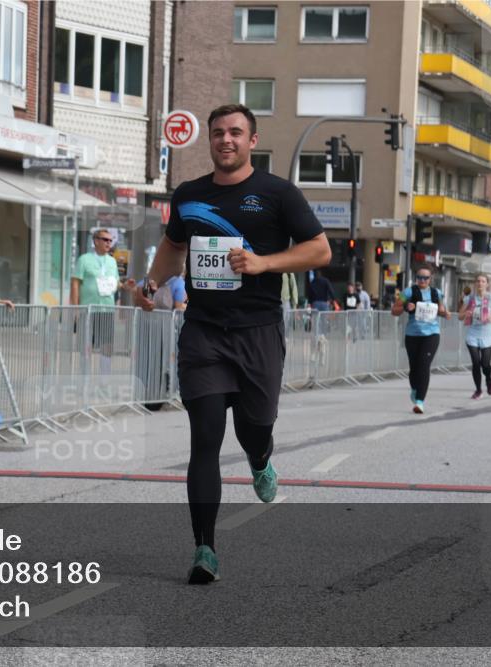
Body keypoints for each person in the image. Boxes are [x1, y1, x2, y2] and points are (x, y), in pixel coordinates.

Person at [133, 104, 330, 584]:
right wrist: (152, 283)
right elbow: (174, 245)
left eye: (236, 133)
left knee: (254, 427)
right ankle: (205, 548)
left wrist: (264, 264)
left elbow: (319, 250)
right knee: (204, 438)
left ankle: (260, 458)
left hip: (258, 331)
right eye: (219, 133)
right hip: (203, 331)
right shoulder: (190, 195)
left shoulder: (277, 193)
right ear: (211, 140)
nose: (226, 140)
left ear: (252, 140)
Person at [391, 266, 451, 414]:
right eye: (419, 277)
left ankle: (420, 401)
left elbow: (444, 312)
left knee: (424, 365)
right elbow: (394, 310)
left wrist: (444, 312)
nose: (422, 280)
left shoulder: (437, 293)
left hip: (431, 334)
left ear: (430, 279)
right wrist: (406, 307)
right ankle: (414, 389)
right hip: (413, 335)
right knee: (414, 368)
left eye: (425, 278)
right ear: (416, 278)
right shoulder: (408, 292)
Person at [71, 228, 121, 373]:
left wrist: (124, 285)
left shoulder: (112, 261)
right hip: (88, 310)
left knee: (107, 346)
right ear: (96, 241)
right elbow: (75, 283)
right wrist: (75, 308)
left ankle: (103, 381)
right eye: (105, 240)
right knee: (86, 346)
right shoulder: (84, 259)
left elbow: (115, 283)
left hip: (107, 310)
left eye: (111, 240)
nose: (109, 243)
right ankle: (84, 379)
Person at [458, 274, 491, 399]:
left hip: (487, 335)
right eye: (478, 281)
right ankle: (478, 390)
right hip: (472, 334)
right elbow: (460, 316)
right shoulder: (469, 299)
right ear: (475, 284)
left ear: (487, 284)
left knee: (485, 364)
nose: (480, 283)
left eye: (483, 281)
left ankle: (488, 379)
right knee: (476, 363)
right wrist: (466, 313)